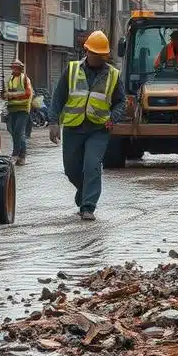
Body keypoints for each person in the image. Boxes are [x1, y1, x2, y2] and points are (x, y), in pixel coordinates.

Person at [49, 32, 126, 221]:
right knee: (71, 169)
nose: (99, 57)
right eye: (95, 53)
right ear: (87, 51)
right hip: (73, 128)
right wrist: (53, 122)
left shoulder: (113, 75)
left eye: (102, 55)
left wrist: (113, 118)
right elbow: (58, 97)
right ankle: (84, 193)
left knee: (92, 166)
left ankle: (88, 207)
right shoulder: (72, 69)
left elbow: (121, 102)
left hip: (98, 129)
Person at [1, 59, 33, 166]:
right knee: (13, 131)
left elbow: (28, 93)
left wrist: (11, 95)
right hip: (12, 110)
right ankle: (19, 156)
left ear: (20, 68)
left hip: (23, 110)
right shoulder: (10, 79)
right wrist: (4, 95)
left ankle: (18, 155)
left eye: (16, 67)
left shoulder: (25, 79)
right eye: (13, 67)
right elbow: (5, 94)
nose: (14, 69)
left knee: (19, 132)